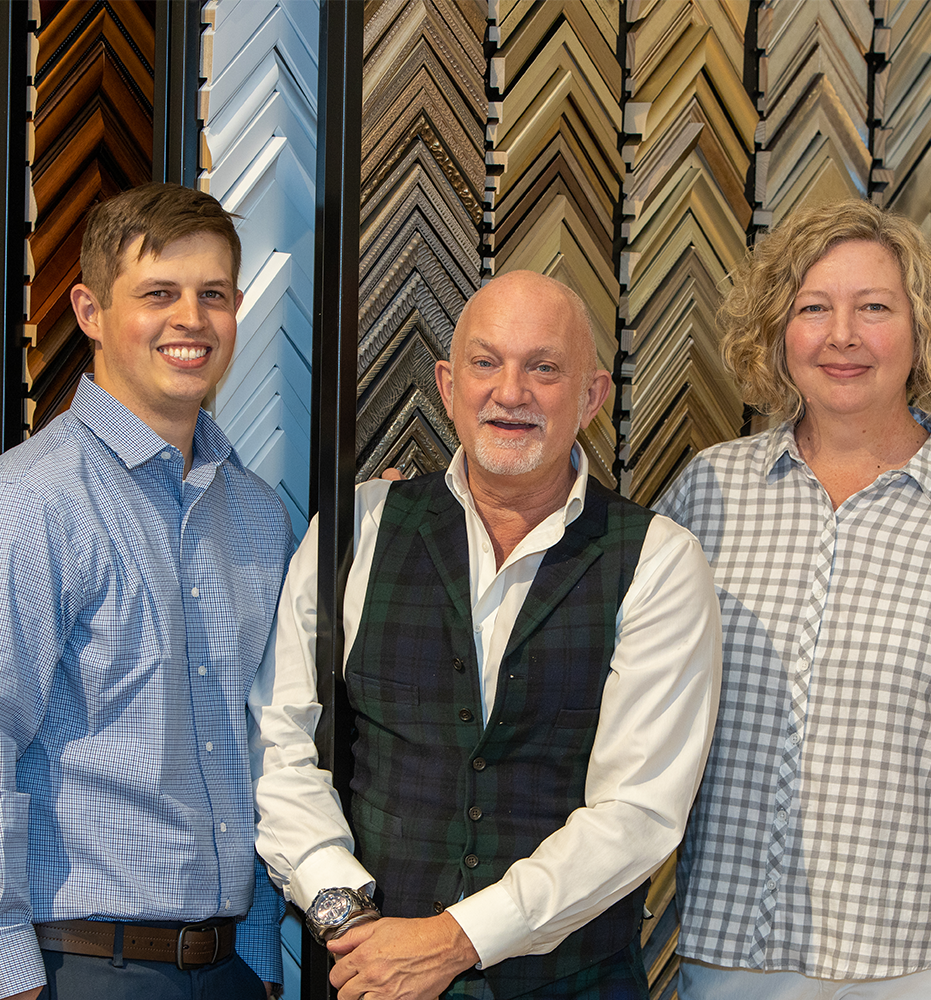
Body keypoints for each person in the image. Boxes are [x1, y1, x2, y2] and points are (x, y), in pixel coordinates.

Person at [250, 269, 722, 999]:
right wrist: (344, 913)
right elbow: (279, 739)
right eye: (486, 362)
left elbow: (638, 813)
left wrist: (452, 941)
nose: (511, 392)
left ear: (592, 396)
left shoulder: (658, 561)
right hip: (368, 978)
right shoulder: (355, 530)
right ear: (447, 384)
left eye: (544, 367)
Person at [658, 200, 931, 999]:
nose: (841, 335)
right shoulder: (708, 492)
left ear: (922, 332)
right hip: (735, 952)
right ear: (780, 332)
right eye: (814, 308)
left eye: (874, 308)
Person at [0, 183, 292, 999]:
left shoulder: (261, 518)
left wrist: (262, 960)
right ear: (90, 311)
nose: (190, 320)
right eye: (158, 294)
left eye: (214, 295)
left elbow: (262, 748)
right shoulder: (30, 501)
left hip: (229, 968)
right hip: (80, 971)